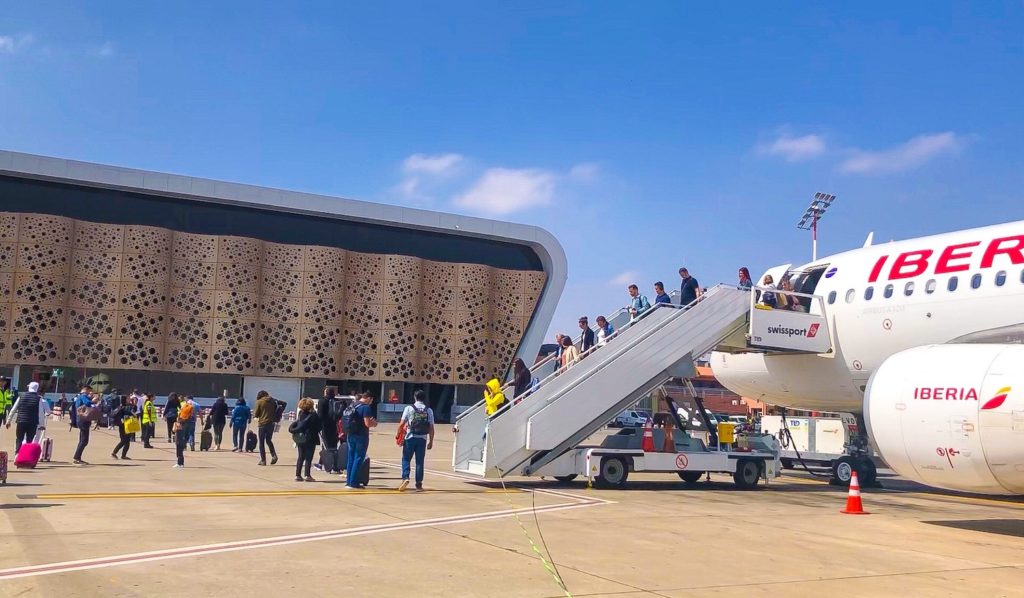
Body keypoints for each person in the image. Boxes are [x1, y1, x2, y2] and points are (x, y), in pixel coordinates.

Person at [398, 389, 435, 492]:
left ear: (415, 397)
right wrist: (431, 441)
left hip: (410, 437)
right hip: (422, 438)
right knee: (419, 462)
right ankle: (419, 484)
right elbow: (431, 427)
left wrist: (398, 435)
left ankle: (405, 478)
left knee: (406, 459)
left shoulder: (409, 408)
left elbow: (401, 424)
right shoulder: (429, 410)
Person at [344, 392, 376, 489]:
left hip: (350, 434)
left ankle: (349, 481)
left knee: (351, 458)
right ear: (368, 398)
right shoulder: (365, 407)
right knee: (358, 458)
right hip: (361, 436)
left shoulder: (353, 404)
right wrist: (374, 424)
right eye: (371, 400)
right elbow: (367, 423)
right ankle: (354, 482)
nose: (371, 402)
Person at [289, 398, 322, 482]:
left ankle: (298, 475)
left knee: (300, 457)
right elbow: (319, 427)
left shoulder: (300, 414)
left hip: (301, 438)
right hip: (311, 438)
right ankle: (307, 475)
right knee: (308, 457)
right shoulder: (313, 415)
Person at [6, 381, 42, 454]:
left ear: (29, 387)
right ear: (37, 389)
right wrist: (42, 425)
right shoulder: (39, 399)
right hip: (32, 423)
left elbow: (14, 409)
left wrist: (8, 421)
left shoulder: (21, 396)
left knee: (19, 439)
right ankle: (26, 457)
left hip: (21, 421)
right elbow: (41, 413)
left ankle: (17, 455)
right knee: (29, 441)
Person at [316, 386, 342, 468]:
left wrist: (318, 426)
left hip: (325, 426)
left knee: (326, 446)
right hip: (336, 426)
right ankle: (334, 465)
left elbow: (320, 415)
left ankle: (325, 464)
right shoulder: (337, 402)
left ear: (325, 392)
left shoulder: (322, 401)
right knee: (334, 446)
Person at [253, 390, 279, 466]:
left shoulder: (259, 402)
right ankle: (274, 455)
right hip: (271, 423)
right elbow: (282, 404)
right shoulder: (273, 401)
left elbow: (256, 414)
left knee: (261, 442)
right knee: (268, 440)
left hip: (262, 424)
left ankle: (263, 460)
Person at [72, 390, 98, 464]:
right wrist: (92, 401)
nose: (91, 394)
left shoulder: (79, 397)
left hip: (81, 420)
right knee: (84, 440)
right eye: (90, 392)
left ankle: (77, 457)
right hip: (83, 420)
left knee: (82, 440)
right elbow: (87, 403)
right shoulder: (83, 396)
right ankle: (77, 457)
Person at [172, 395, 196, 469]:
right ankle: (180, 462)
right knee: (181, 446)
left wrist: (177, 422)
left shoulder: (182, 417)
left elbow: (175, 429)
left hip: (181, 432)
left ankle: (180, 463)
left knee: (179, 445)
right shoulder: (189, 420)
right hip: (184, 432)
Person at [110, 396, 136, 460]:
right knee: (124, 440)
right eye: (128, 398)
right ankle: (114, 452)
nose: (129, 399)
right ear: (125, 400)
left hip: (121, 425)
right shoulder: (127, 407)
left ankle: (123, 455)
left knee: (126, 441)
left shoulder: (120, 406)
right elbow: (131, 413)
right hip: (126, 424)